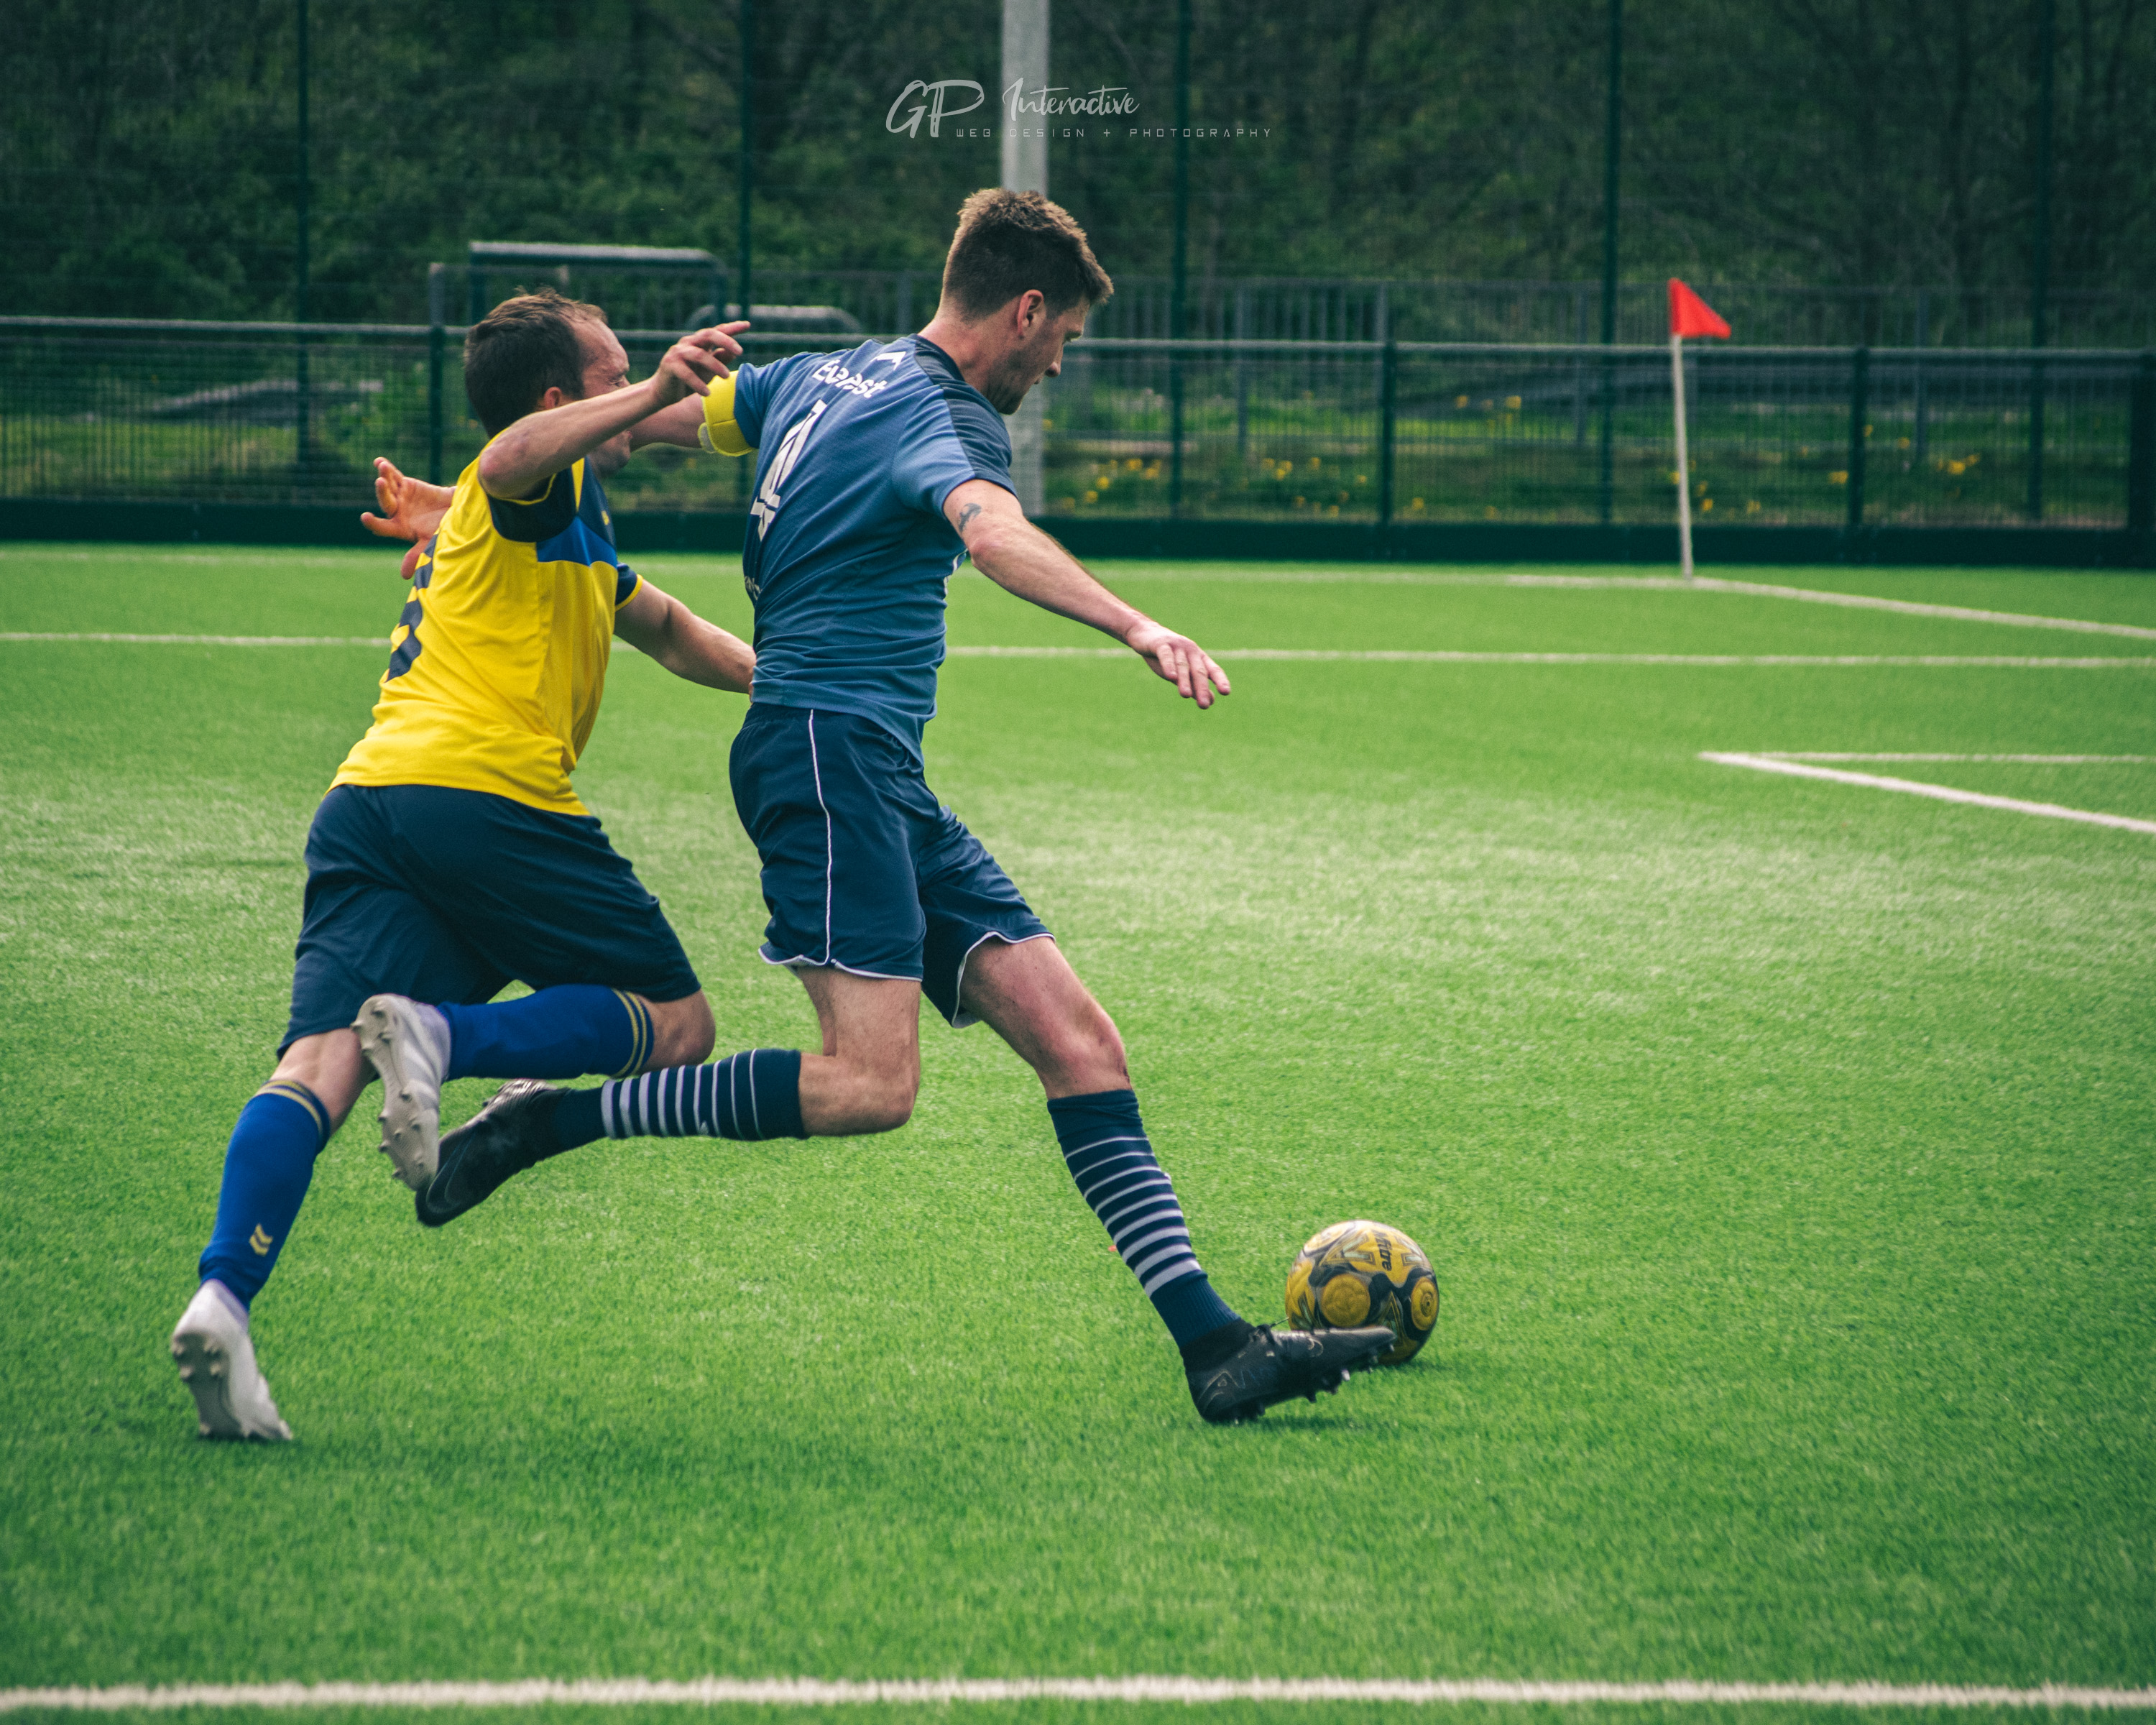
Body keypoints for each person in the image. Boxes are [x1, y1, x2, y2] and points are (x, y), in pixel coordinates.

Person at [383, 193, 1395, 1424]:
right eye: (1062, 335)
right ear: (1023, 309)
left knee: (1081, 1046)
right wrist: (1134, 621)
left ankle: (1216, 1351)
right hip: (827, 758)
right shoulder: (943, 415)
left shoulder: (816, 378)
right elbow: (993, 532)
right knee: (870, 1086)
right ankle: (555, 1125)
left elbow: (627, 433)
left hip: (871, 768)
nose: (1060, 361)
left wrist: (467, 505)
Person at [169, 289, 757, 1441]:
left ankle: (222, 1303)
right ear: (562, 400)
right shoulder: (536, 477)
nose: (638, 382)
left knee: (321, 1062)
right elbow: (512, 456)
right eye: (614, 370)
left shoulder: (560, 524)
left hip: (370, 803)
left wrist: (792, 681)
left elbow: (672, 628)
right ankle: (448, 1040)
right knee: (677, 1026)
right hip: (480, 794)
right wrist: (646, 395)